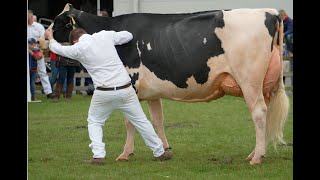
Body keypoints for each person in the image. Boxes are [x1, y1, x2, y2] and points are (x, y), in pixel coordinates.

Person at [45, 28, 173, 164]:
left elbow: (56, 48)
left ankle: (98, 155)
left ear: (75, 40)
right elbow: (128, 35)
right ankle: (159, 152)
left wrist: (50, 36)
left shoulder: (78, 48)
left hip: (103, 92)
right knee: (141, 121)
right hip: (125, 89)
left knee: (94, 121)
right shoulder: (104, 35)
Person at [28, 10, 54, 99]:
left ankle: (48, 92)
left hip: (37, 50)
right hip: (27, 52)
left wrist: (41, 51)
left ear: (31, 17)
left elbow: (43, 39)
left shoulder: (39, 27)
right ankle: (30, 93)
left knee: (42, 71)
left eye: (28, 16)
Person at [28, 38, 42, 102]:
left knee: (32, 84)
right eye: (29, 43)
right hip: (28, 70)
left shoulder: (37, 50)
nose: (29, 45)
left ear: (34, 44)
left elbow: (38, 57)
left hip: (33, 70)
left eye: (31, 44)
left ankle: (33, 97)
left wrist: (31, 53)